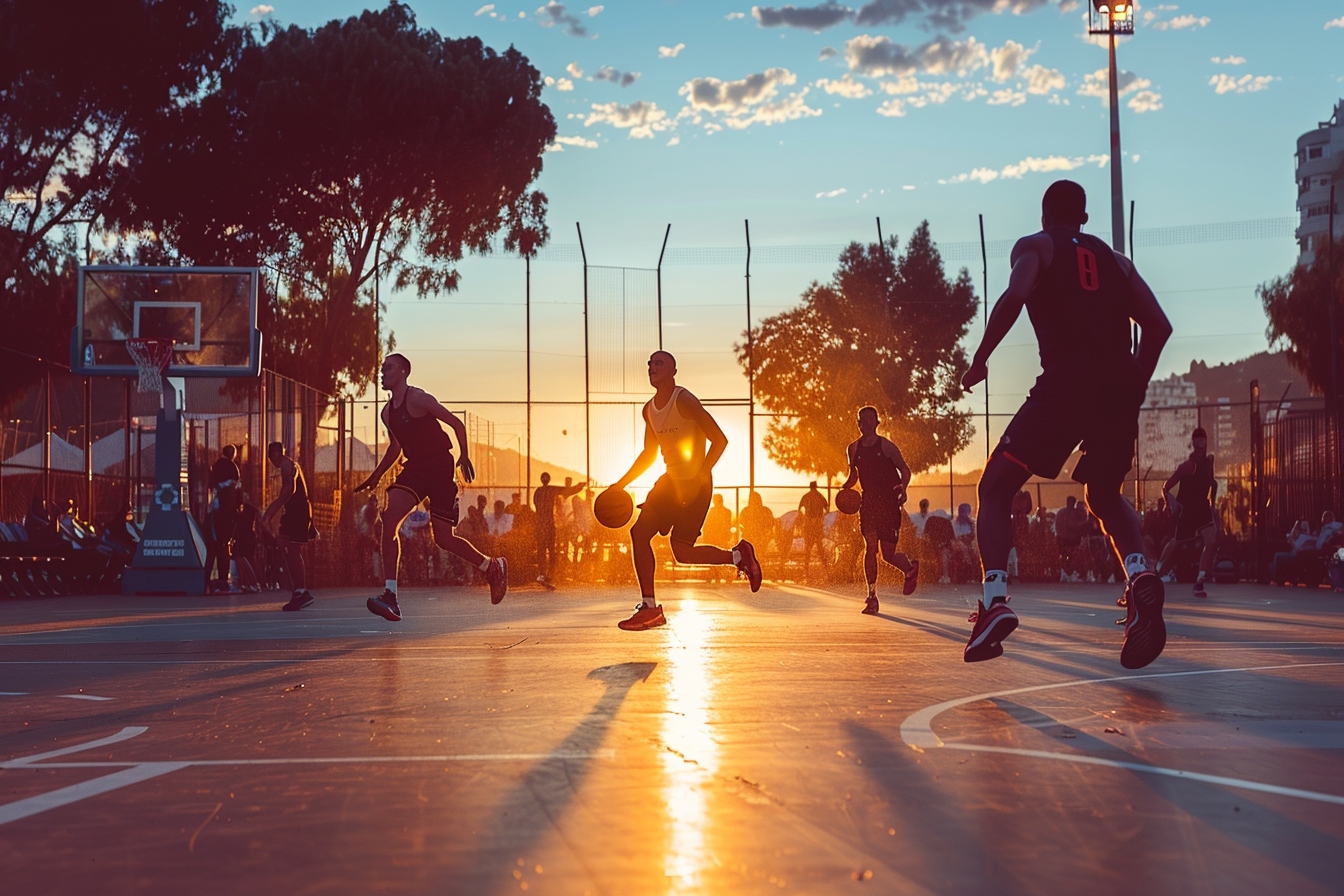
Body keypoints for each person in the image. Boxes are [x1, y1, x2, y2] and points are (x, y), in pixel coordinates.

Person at [961, 179, 1173, 668]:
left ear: (1043, 215)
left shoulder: (1036, 246)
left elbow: (1014, 297)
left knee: (994, 487)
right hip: (1119, 385)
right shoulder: (1119, 263)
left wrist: (981, 359)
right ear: (1085, 217)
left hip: (1067, 384)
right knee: (1102, 493)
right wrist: (1134, 384)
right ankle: (1140, 577)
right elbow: (1159, 327)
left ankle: (994, 602)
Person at [604, 351, 761, 630]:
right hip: (669, 483)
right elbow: (649, 455)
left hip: (696, 484)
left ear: (674, 370)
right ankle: (650, 608)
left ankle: (738, 556)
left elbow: (720, 440)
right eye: (650, 363)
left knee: (683, 553)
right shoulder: (649, 410)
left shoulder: (684, 400)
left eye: (659, 362)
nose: (652, 367)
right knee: (639, 533)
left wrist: (701, 475)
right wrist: (620, 483)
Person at [354, 353, 507, 620]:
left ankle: (491, 566)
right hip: (414, 469)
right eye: (381, 368)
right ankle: (390, 595)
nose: (382, 373)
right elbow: (395, 448)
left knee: (443, 539)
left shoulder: (418, 399)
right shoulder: (387, 413)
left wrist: (464, 455)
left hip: (439, 466)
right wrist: (376, 475)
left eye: (387, 368)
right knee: (389, 520)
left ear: (403, 371)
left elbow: (456, 424)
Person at [840, 406, 919, 615]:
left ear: (876, 423)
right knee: (870, 547)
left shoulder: (886, 446)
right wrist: (845, 489)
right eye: (862, 420)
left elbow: (904, 469)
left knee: (888, 555)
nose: (866, 423)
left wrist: (903, 487)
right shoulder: (853, 449)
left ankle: (910, 569)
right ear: (858, 424)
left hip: (889, 502)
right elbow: (853, 475)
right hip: (869, 504)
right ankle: (872, 597)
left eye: (870, 419)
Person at [1156, 427, 1219, 598]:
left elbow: (1212, 483)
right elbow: (1166, 487)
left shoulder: (1209, 462)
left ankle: (1199, 582)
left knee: (1212, 541)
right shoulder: (1187, 466)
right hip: (1189, 510)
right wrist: (1170, 505)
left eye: (1203, 438)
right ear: (1193, 443)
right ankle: (1156, 572)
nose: (1201, 442)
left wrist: (1212, 505)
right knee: (1176, 543)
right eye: (1198, 439)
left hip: (1203, 509)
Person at [262, 442, 316, 611]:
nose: (271, 459)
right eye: (270, 456)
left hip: (298, 512)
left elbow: (289, 490)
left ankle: (301, 591)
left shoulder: (287, 464)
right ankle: (296, 589)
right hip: (293, 511)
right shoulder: (287, 465)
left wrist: (270, 513)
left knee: (293, 549)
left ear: (278, 453)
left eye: (273, 455)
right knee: (284, 544)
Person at [532, 471, 586, 587]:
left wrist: (577, 487)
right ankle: (549, 574)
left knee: (543, 549)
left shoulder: (538, 491)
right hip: (548, 523)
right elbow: (567, 491)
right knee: (550, 549)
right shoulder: (551, 490)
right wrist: (579, 487)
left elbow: (536, 505)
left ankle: (543, 573)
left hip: (541, 524)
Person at [207, 444, 241, 593]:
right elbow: (236, 488)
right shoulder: (232, 468)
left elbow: (212, 484)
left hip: (218, 510)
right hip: (226, 512)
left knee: (215, 545)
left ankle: (208, 577)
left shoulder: (216, 466)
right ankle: (222, 579)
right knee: (223, 544)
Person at [798, 481, 830, 577]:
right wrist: (822, 517)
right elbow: (827, 508)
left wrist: (804, 518)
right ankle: (826, 570)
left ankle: (806, 570)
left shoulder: (806, 496)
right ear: (816, 487)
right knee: (820, 548)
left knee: (808, 549)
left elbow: (799, 509)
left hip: (808, 525)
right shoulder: (820, 496)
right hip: (817, 525)